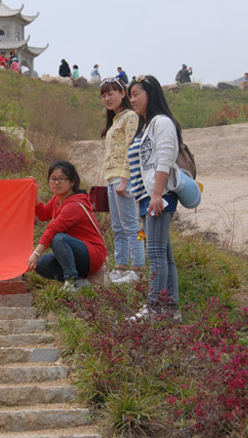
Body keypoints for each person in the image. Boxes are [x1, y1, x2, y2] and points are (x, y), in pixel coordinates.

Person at [126, 75, 183, 321]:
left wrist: (157, 194)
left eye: (136, 94)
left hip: (159, 196)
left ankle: (153, 307)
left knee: (156, 254)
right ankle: (170, 309)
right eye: (130, 96)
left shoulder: (162, 122)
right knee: (164, 255)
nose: (132, 100)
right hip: (148, 197)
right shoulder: (146, 125)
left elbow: (164, 159)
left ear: (151, 94)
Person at [27, 161, 107, 289]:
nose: (56, 182)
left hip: (92, 255)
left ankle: (72, 281)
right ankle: (81, 282)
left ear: (72, 182)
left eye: (62, 179)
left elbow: (53, 228)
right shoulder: (57, 198)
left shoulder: (74, 205)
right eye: (53, 178)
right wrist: (34, 193)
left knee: (58, 238)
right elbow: (43, 215)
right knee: (42, 264)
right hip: (75, 252)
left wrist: (36, 253)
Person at [99, 78, 145, 281]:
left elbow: (131, 148)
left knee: (130, 224)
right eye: (104, 95)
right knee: (117, 226)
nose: (107, 98)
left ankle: (138, 268)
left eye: (111, 94)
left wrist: (125, 178)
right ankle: (121, 266)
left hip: (123, 177)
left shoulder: (130, 117)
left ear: (122, 93)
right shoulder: (115, 120)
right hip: (112, 178)